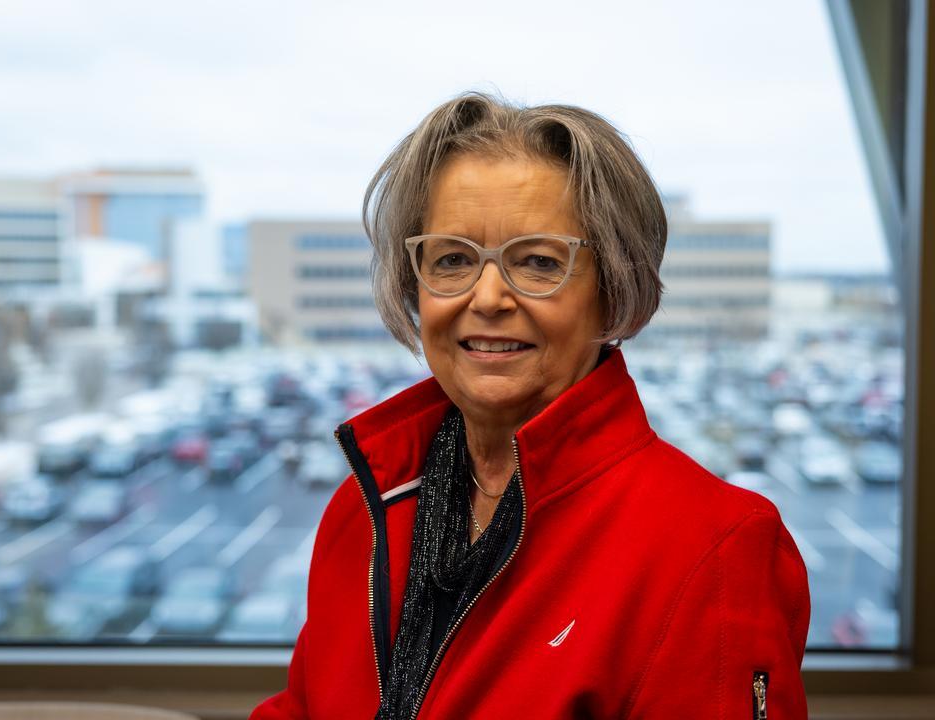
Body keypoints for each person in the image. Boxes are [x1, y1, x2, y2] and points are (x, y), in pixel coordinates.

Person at [252, 92, 810, 719]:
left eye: (539, 262)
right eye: (454, 259)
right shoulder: (363, 514)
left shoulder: (713, 549)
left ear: (613, 291)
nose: (487, 296)